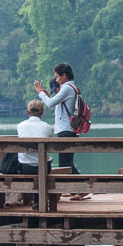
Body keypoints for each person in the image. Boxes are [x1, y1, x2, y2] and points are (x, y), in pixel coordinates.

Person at [34, 63, 88, 199]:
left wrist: (40, 93)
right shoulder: (71, 88)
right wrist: (47, 95)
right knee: (67, 161)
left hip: (66, 130)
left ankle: (81, 188)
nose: (56, 79)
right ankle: (76, 188)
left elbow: (51, 104)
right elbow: (58, 108)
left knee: (65, 162)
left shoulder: (67, 88)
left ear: (64, 75)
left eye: (57, 76)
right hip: (68, 129)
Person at [17, 99, 53, 206]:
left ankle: (28, 199)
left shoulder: (20, 126)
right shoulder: (48, 127)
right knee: (44, 165)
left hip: (25, 167)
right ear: (42, 113)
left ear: (28, 112)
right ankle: (38, 200)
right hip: (43, 167)